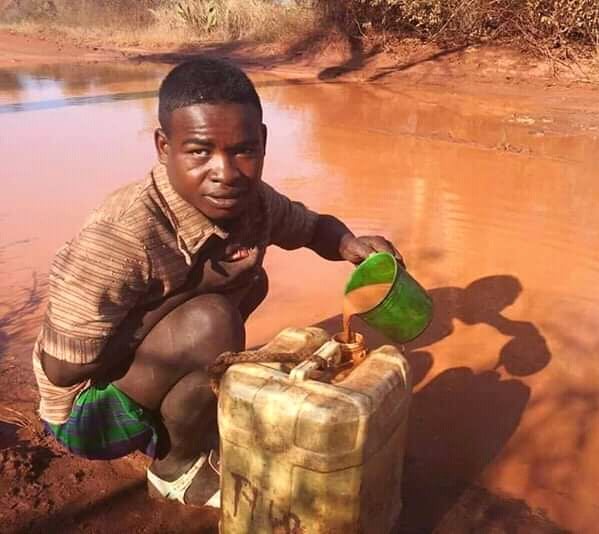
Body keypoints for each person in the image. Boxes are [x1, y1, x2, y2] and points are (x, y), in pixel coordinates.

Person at [32, 58, 403, 508]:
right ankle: (173, 469)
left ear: (263, 143)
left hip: (148, 362)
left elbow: (310, 227)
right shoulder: (121, 236)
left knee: (250, 281)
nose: (225, 172)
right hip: (87, 414)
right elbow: (64, 370)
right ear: (164, 146)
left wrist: (349, 243)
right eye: (200, 151)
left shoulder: (254, 204)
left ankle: (187, 408)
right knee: (211, 319)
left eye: (243, 150)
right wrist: (194, 288)